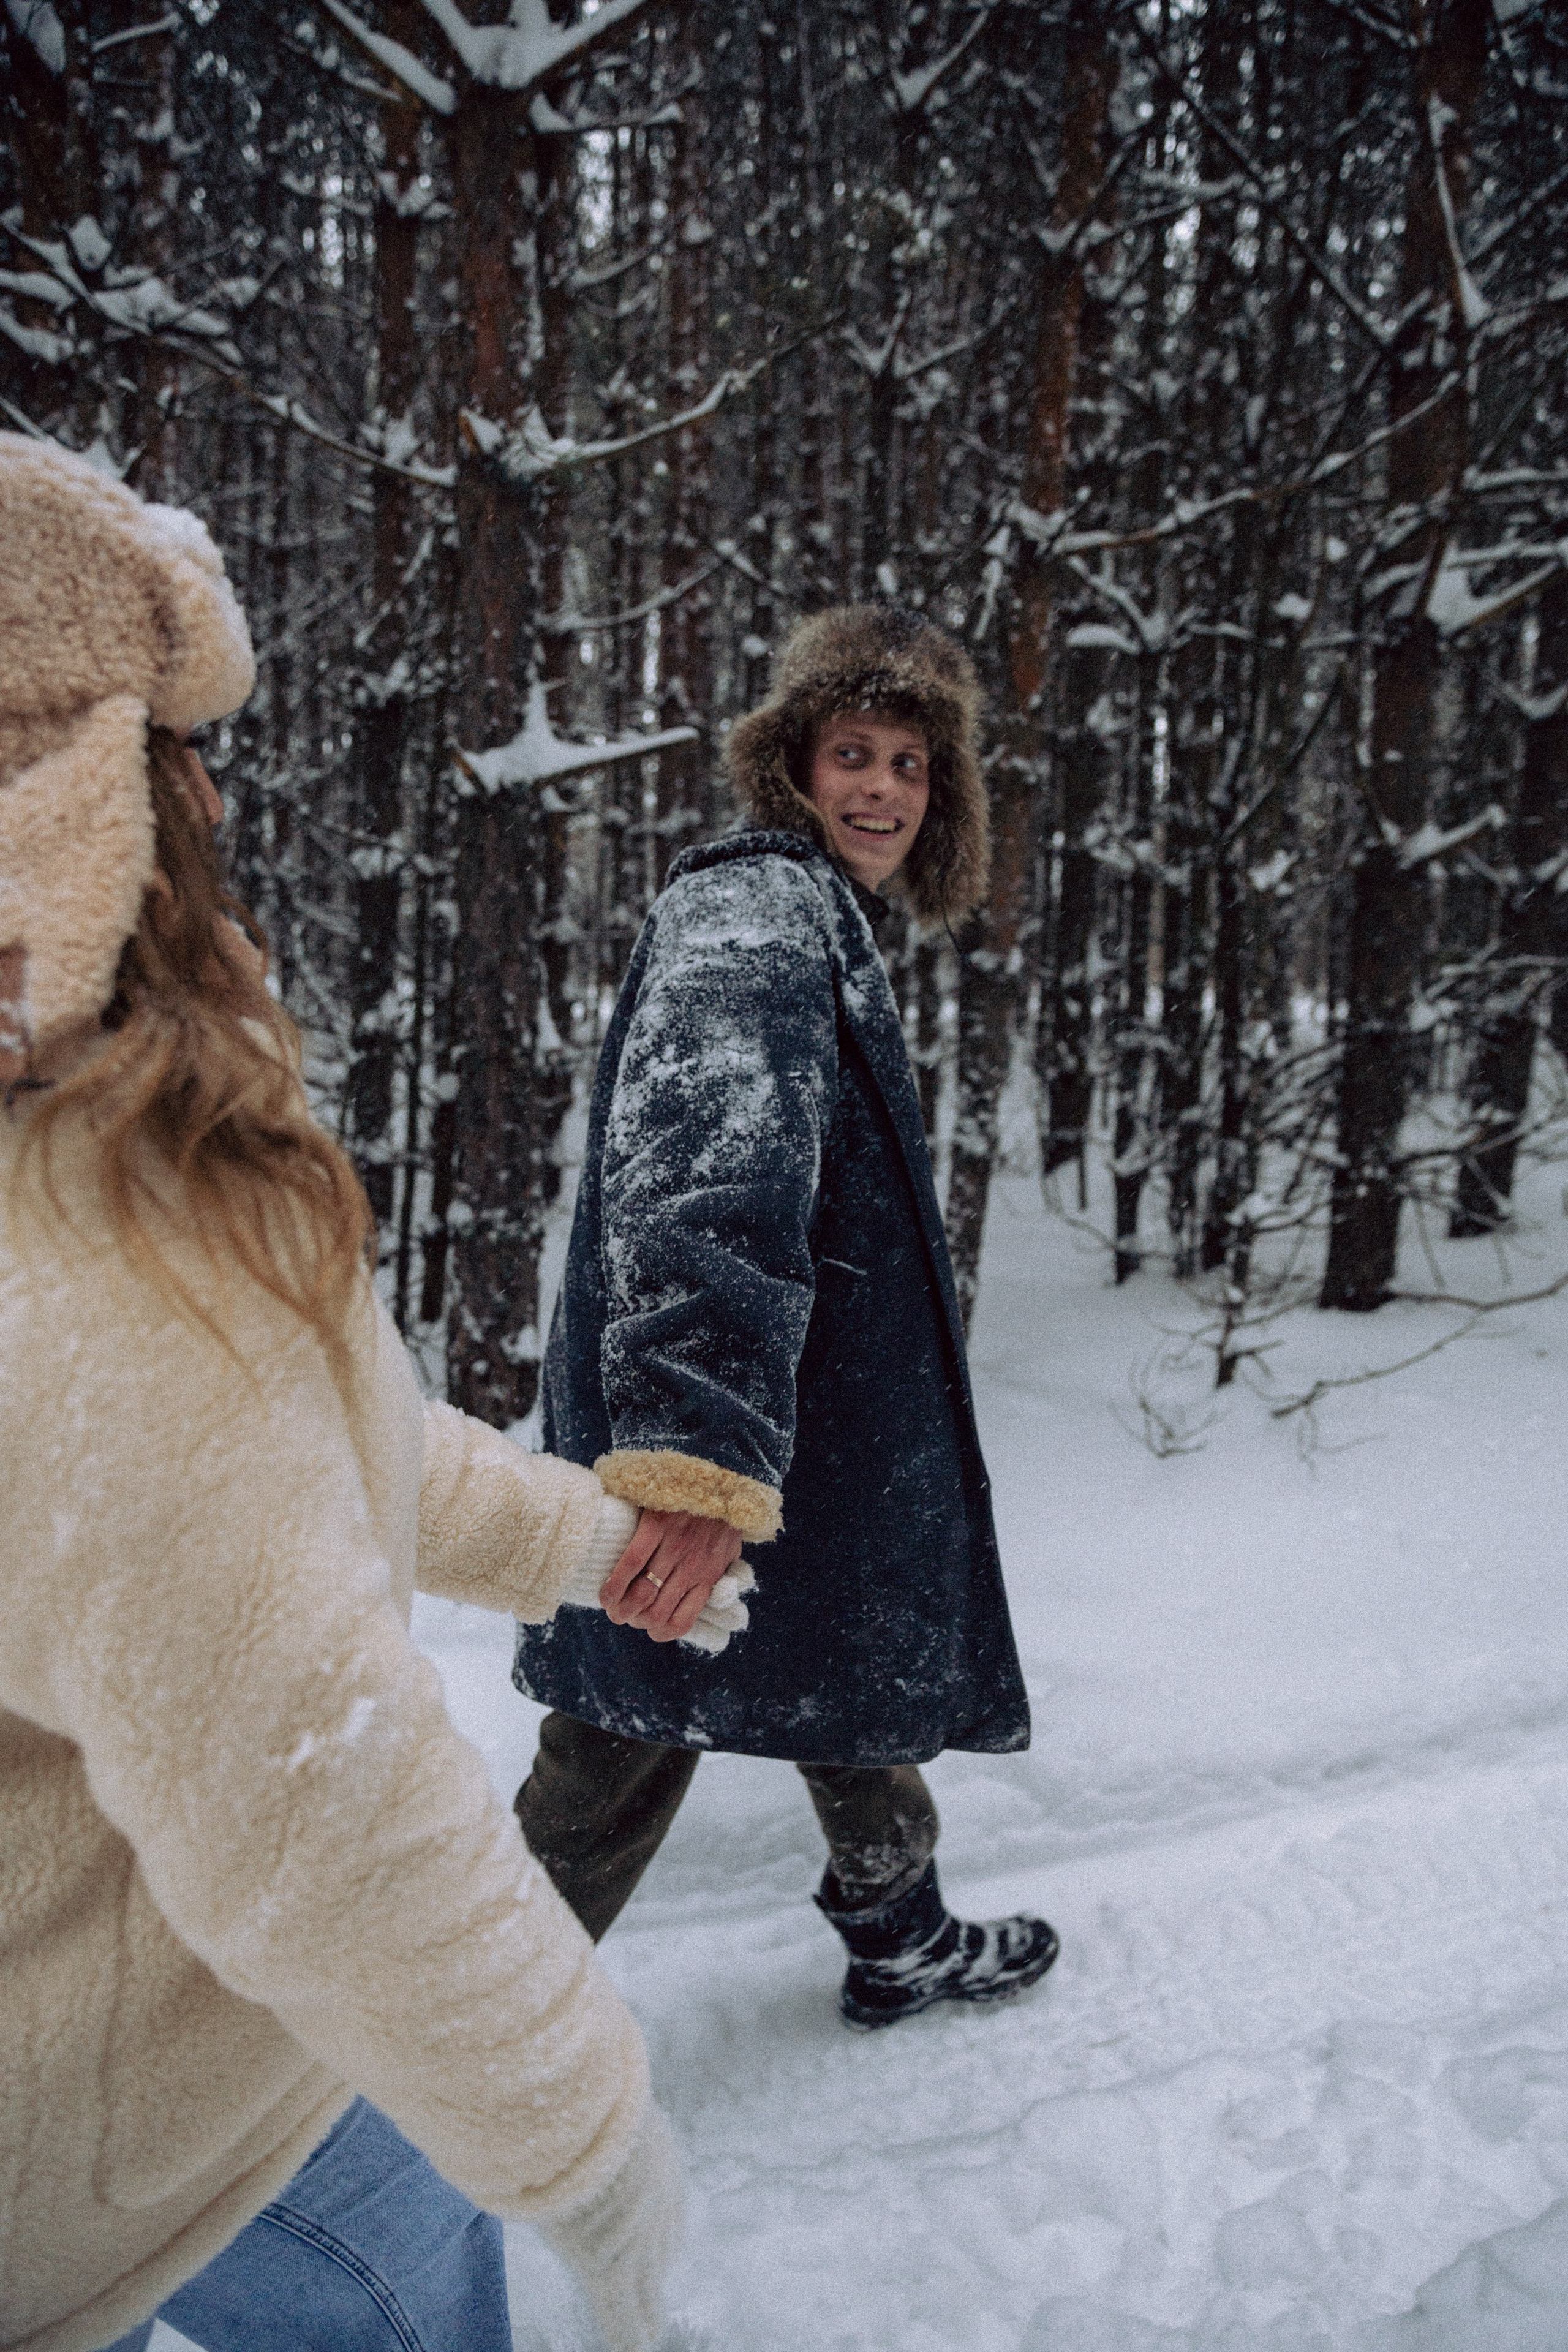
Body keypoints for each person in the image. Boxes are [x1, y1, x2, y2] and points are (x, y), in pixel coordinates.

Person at [0, 434, 692, 2352]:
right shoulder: (104, 1270)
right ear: (81, 805)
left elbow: (319, 1463)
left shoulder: (96, 1190)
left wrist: (584, 1538)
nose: (217, 788)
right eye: (175, 748)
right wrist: (600, 2161)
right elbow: (336, 1819)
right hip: (152, 2115)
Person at [512, 601, 1058, 2027]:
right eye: (850, 753)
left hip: (790, 1420)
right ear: (789, 766)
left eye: (912, 765)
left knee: (837, 1660)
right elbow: (703, 1185)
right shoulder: (754, 908)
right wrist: (689, 1469)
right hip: (715, 1427)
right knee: (625, 1719)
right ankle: (447, 2034)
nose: (880, 788)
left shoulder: (816, 916)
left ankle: (898, 1930)